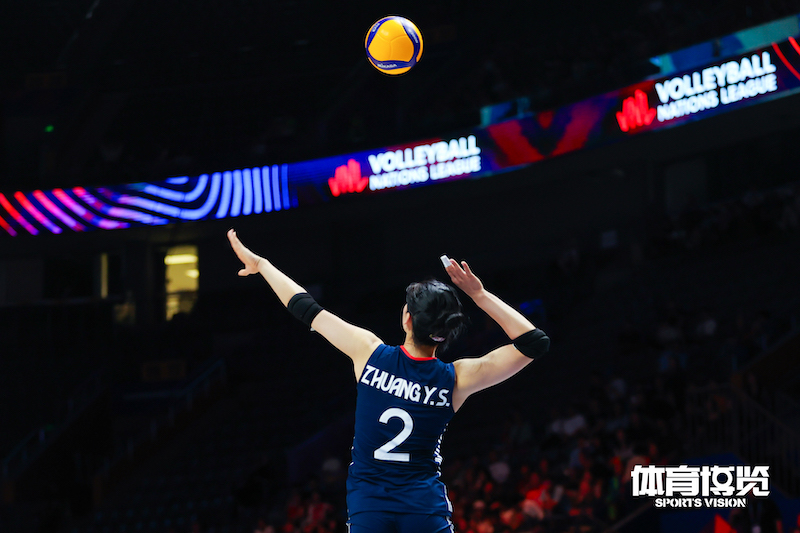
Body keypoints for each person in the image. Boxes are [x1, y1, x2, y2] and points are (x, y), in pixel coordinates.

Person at [227, 229, 551, 533]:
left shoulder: (368, 352)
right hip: (424, 508)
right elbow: (534, 342)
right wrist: (479, 295)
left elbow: (305, 307)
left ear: (407, 318)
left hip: (369, 506)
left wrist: (263, 265)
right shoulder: (457, 378)